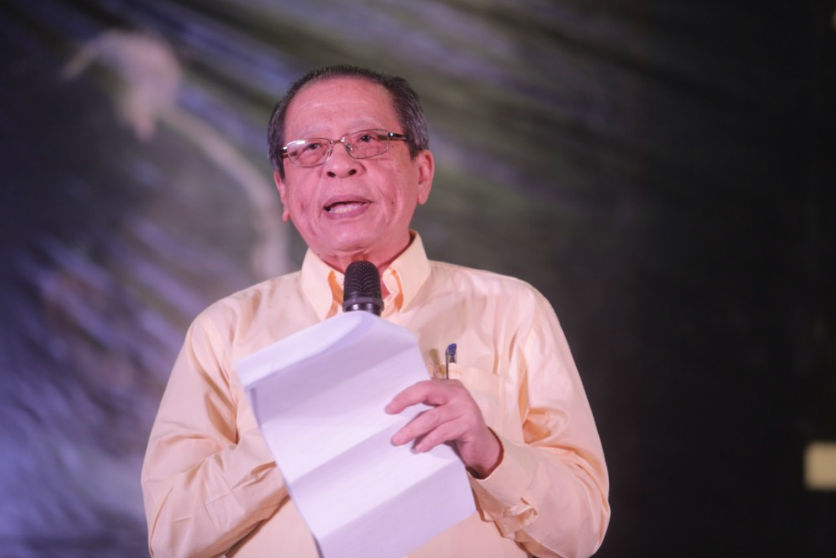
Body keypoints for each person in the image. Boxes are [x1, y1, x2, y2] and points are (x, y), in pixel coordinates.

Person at [141, 65, 610, 558]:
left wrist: (489, 453)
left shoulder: (514, 311)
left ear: (422, 173)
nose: (338, 165)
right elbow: (172, 535)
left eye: (367, 139)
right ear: (283, 190)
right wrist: (287, 437)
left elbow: (582, 532)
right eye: (309, 149)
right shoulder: (223, 332)